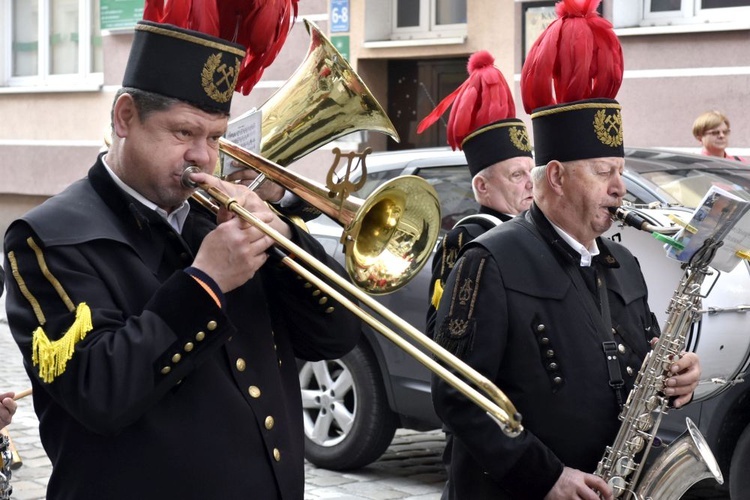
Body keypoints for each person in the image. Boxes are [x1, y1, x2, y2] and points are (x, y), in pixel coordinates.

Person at [3, 18, 360, 500]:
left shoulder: (214, 221)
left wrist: (282, 238)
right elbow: (98, 393)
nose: (204, 158)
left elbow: (333, 336)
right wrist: (205, 281)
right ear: (124, 118)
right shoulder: (47, 238)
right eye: (183, 133)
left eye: (215, 137)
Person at [430, 1, 701, 499]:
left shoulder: (625, 264)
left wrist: (678, 376)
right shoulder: (486, 261)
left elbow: (643, 362)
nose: (619, 187)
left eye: (620, 172)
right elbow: (457, 398)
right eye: (604, 171)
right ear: (555, 176)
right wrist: (545, 475)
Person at [418, 50, 534, 340]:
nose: (531, 184)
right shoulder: (464, 239)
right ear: (482, 186)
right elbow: (444, 333)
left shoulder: (539, 229)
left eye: (531, 172)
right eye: (517, 175)